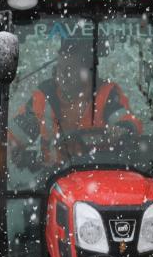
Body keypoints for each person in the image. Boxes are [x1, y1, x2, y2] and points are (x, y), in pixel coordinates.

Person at [9, 39, 142, 166]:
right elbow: (17, 133)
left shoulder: (106, 93)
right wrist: (1, 142)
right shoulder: (45, 97)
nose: (62, 74)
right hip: (52, 176)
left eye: (69, 69)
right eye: (60, 68)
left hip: (99, 170)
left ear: (86, 72)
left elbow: (126, 120)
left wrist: (123, 128)